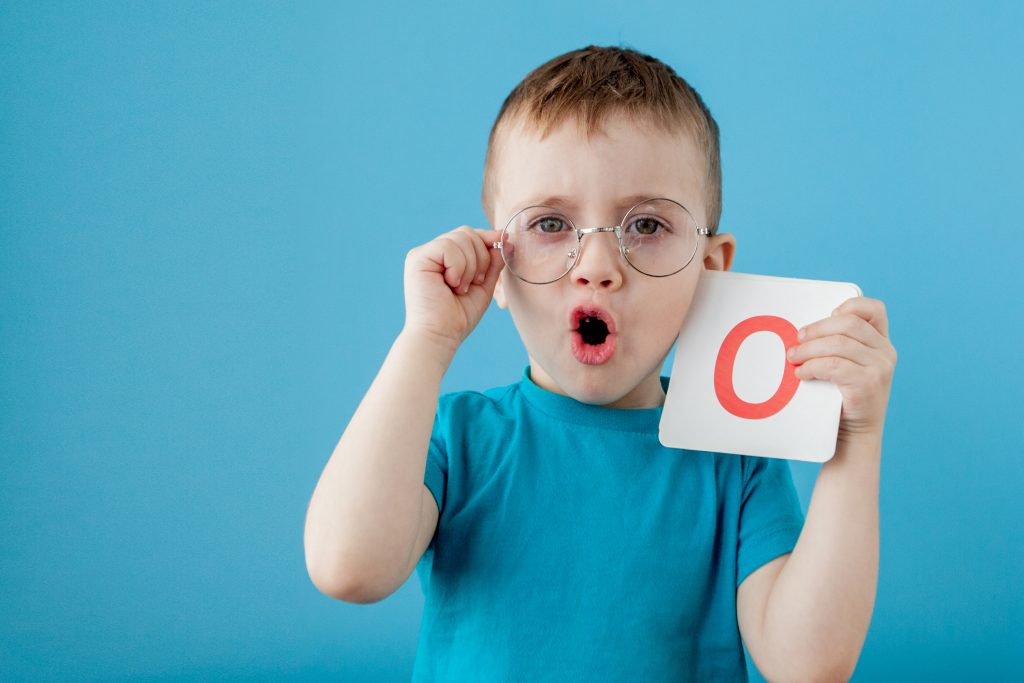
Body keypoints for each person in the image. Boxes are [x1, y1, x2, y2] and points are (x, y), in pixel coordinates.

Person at [304, 45, 897, 681]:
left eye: (646, 226)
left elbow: (809, 666)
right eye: (549, 223)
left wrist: (855, 441)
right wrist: (425, 339)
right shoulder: (454, 437)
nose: (596, 266)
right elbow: (348, 568)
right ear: (496, 265)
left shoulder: (737, 456)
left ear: (710, 270)